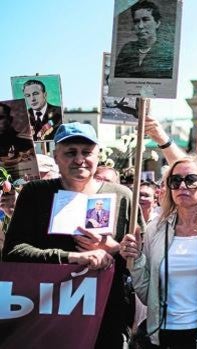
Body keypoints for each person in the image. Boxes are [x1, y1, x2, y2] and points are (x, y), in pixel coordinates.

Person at [2, 122, 138, 348]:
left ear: (98, 155)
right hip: (47, 315)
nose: (79, 159)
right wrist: (71, 258)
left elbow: (139, 259)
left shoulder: (122, 196)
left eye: (87, 152)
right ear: (56, 156)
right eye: (70, 152)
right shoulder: (35, 194)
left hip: (106, 316)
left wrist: (114, 249)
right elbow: (14, 252)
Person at [119, 155, 197, 348]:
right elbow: (147, 295)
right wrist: (135, 260)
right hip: (159, 338)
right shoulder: (155, 229)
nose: (182, 186)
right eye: (175, 181)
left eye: (191, 180)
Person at [114, 0, 173, 79]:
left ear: (157, 23)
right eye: (136, 21)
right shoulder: (127, 49)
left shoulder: (166, 52)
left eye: (145, 20)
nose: (140, 26)